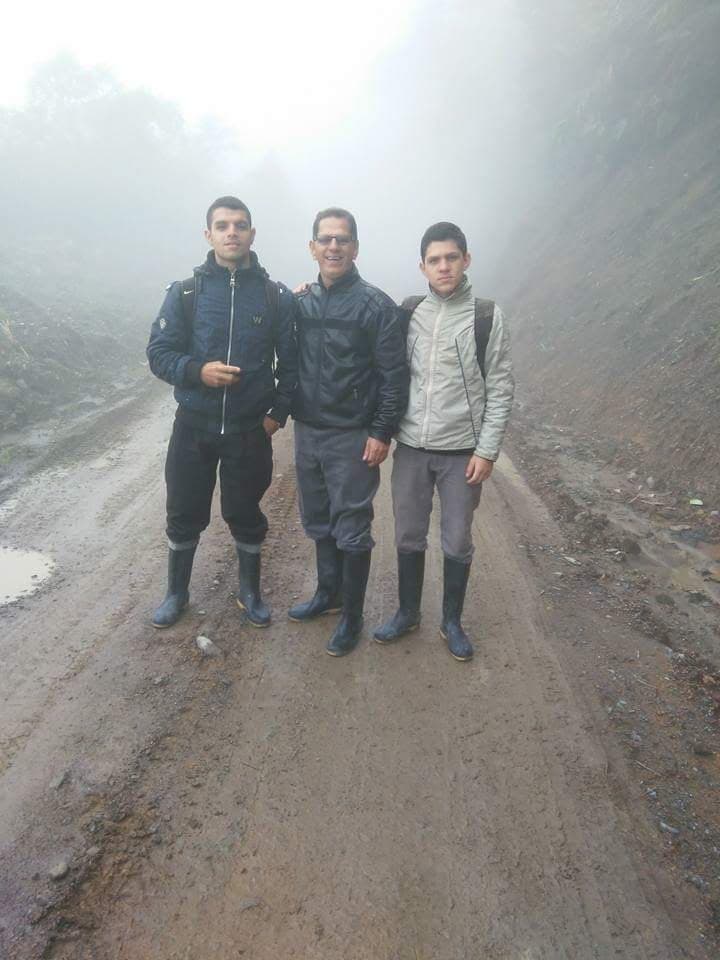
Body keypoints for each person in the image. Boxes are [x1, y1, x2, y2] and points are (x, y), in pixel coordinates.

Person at [147, 196, 297, 629]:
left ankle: (249, 592)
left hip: (250, 430)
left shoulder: (275, 296)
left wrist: (276, 416)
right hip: (193, 426)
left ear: (252, 233)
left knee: (246, 513)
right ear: (208, 234)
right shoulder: (186, 292)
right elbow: (158, 353)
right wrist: (197, 371)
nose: (232, 232)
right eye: (223, 225)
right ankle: (176, 593)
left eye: (241, 225)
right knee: (183, 512)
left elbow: (291, 365)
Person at [374, 221, 514, 661]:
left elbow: (502, 387)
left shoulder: (485, 316)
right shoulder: (409, 312)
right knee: (408, 535)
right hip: (412, 449)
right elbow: (372, 347)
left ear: (466, 260)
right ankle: (408, 612)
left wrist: (487, 451)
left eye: (451, 257)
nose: (444, 266)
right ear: (422, 267)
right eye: (434, 260)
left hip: (462, 455)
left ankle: (451, 621)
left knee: (457, 540)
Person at [289, 207, 408, 657]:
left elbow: (395, 377)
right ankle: (328, 594)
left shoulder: (375, 306)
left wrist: (381, 431)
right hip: (308, 431)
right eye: (325, 239)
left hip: (353, 435)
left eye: (342, 239)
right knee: (318, 520)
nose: (333, 246)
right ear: (313, 247)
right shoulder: (300, 303)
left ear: (355, 248)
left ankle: (352, 617)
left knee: (352, 527)